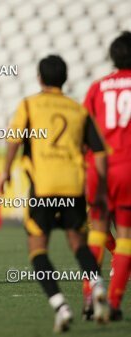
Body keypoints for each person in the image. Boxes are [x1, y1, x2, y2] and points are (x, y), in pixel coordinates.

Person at [0, 55, 110, 332]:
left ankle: (61, 305)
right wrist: (101, 188)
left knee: (38, 249)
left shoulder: (29, 105)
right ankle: (97, 285)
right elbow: (99, 153)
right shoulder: (78, 110)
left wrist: (6, 171)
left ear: (39, 78)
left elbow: (14, 140)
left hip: (44, 187)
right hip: (73, 186)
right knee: (78, 244)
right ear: (65, 78)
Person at [83, 31, 131, 321]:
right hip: (129, 168)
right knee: (125, 237)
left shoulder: (97, 88)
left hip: (100, 168)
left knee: (97, 232)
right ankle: (113, 301)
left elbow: (84, 133)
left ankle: (90, 297)